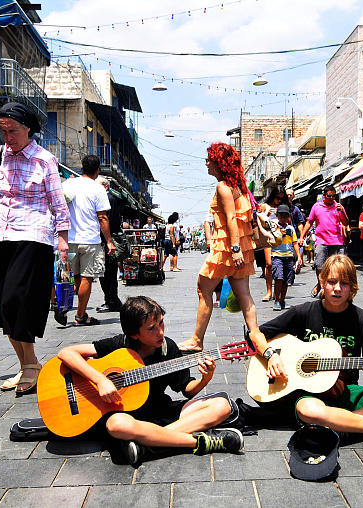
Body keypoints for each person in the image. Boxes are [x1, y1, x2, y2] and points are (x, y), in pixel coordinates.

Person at [252, 254, 363, 441]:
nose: (337, 289)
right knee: (308, 410)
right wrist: (270, 355)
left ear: (353, 287)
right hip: (310, 396)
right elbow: (255, 334)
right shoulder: (302, 313)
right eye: (331, 282)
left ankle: (345, 423)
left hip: (347, 393)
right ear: (321, 282)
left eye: (344, 284)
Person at [56, 296, 243, 465]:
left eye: (161, 323)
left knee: (222, 406)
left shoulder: (168, 348)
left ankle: (150, 444)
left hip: (157, 412)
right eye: (152, 329)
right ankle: (197, 442)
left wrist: (205, 378)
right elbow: (66, 353)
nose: (160, 332)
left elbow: (187, 389)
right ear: (134, 334)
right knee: (117, 425)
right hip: (127, 417)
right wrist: (99, 380)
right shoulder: (119, 346)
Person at [0, 101, 71, 396]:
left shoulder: (44, 160)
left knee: (18, 300)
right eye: (3, 131)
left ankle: (30, 365)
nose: (8, 137)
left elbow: (58, 202)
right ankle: (27, 365)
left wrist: (63, 242)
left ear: (28, 128)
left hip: (33, 234)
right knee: (3, 306)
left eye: (13, 131)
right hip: (1, 234)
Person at [177, 142, 259, 352]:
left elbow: (231, 218)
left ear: (218, 162)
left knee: (203, 289)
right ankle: (256, 336)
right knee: (244, 294)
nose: (206, 164)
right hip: (241, 246)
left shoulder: (223, 187)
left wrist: (234, 248)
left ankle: (197, 340)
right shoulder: (238, 186)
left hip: (227, 249)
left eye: (209, 160)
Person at [62, 155, 116, 326]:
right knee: (87, 277)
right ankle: (80, 316)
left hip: (68, 238)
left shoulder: (67, 184)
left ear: (81, 168)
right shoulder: (98, 188)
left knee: (69, 277)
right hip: (90, 240)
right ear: (97, 170)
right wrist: (109, 241)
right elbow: (103, 217)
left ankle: (60, 305)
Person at [298, 186, 349, 298]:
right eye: (329, 196)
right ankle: (321, 284)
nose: (331, 198)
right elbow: (309, 222)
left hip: (337, 241)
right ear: (324, 195)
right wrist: (302, 236)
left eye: (333, 196)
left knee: (337, 267)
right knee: (319, 265)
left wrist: (342, 213)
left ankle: (329, 287)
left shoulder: (338, 207)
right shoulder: (317, 206)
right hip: (321, 240)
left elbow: (345, 223)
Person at [95, 176, 122, 314]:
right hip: (105, 241)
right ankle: (112, 300)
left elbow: (107, 221)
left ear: (105, 186)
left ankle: (111, 301)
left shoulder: (109, 199)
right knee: (106, 272)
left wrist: (107, 240)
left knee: (108, 273)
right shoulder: (107, 199)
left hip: (107, 242)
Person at [270, 204, 301, 311]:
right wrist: (279, 234)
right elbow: (270, 240)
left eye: (285, 215)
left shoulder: (290, 228)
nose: (283, 217)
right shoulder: (274, 227)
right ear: (277, 215)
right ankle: (276, 300)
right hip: (277, 256)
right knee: (279, 277)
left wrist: (299, 257)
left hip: (288, 256)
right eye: (281, 215)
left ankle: (282, 299)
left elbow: (295, 243)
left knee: (286, 280)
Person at [260, 188, 287, 302]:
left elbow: (288, 221)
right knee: (269, 264)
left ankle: (277, 291)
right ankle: (269, 291)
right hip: (269, 238)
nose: (279, 201)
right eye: (277, 198)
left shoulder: (284, 206)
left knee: (281, 264)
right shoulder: (265, 206)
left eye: (282, 198)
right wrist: (267, 213)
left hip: (281, 239)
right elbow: (260, 221)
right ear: (272, 196)